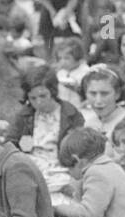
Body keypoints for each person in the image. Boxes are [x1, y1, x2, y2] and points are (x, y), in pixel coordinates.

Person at [9, 64, 85, 200]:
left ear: (53, 92)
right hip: (30, 167)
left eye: (43, 96)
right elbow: (11, 142)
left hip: (60, 169)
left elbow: (78, 148)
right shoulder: (25, 115)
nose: (38, 102)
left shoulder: (71, 114)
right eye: (33, 98)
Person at [24, 0, 89, 56]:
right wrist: (52, 11)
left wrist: (66, 13)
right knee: (45, 24)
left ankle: (81, 53)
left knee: (77, 22)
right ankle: (49, 55)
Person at [79, 64, 125, 156]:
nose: (98, 101)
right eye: (93, 94)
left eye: (104, 94)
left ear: (117, 94)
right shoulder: (88, 122)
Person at [53, 37, 88, 107]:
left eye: (67, 58)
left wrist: (77, 89)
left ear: (78, 58)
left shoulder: (86, 73)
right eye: (60, 58)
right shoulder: (61, 72)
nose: (62, 62)